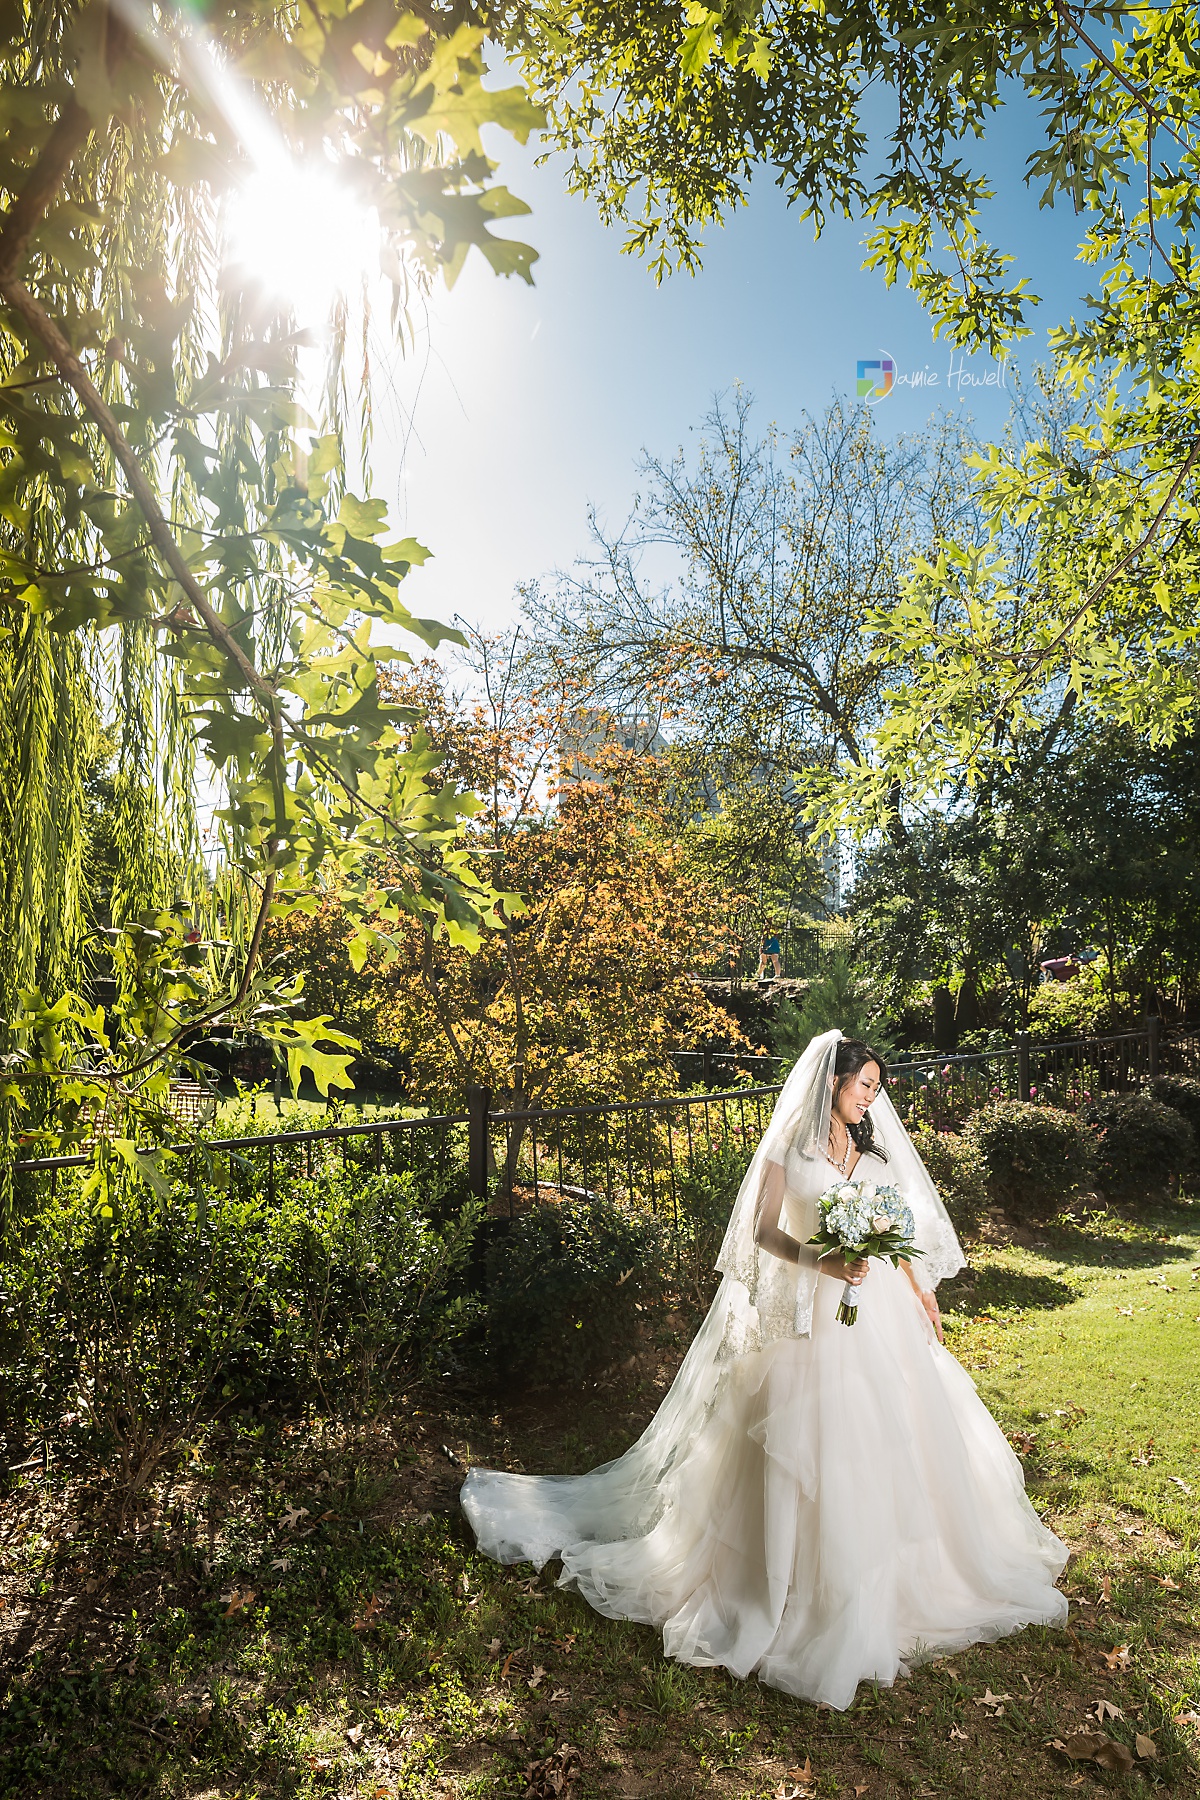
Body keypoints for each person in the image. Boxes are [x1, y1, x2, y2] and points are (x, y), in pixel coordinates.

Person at [461, 1029, 1068, 1711]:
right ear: (830, 1083)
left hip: (881, 1315)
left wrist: (919, 1286)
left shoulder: (867, 1150)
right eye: (862, 1084)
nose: (871, 1098)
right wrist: (824, 1261)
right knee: (803, 1442)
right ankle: (783, 1584)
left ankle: (888, 1577)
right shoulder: (790, 1147)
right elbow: (763, 1230)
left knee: (892, 1436)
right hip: (814, 1312)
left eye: (876, 1087)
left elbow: (895, 1227)